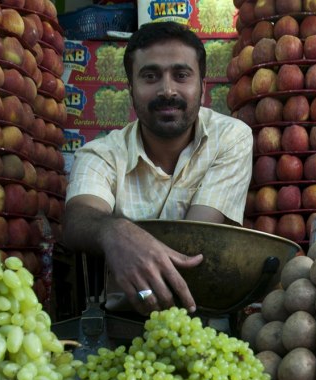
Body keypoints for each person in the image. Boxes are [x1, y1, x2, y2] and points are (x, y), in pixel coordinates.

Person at [63, 21, 253, 314]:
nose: (167, 90)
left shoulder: (230, 137)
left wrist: (127, 241)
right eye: (150, 76)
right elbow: (78, 218)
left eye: (181, 75)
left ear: (202, 88)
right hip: (121, 321)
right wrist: (113, 232)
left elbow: (193, 243)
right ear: (131, 89)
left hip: (199, 316)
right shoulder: (101, 153)